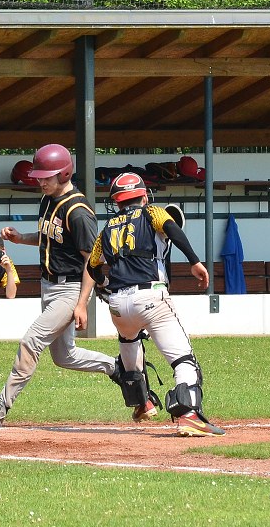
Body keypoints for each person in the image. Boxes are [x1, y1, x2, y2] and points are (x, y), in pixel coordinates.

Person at [0, 143, 117, 427]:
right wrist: (20, 238)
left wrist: (82, 304)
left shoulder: (78, 212)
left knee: (32, 341)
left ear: (64, 174)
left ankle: (1, 405)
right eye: (39, 176)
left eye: (47, 176)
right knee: (65, 356)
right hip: (49, 286)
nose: (41, 181)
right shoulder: (48, 200)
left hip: (70, 288)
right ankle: (118, 368)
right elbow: (50, 238)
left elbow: (92, 259)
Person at [81, 172, 225, 437]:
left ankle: (143, 402)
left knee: (130, 346)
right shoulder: (152, 213)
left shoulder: (107, 228)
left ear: (117, 201)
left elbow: (92, 265)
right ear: (143, 196)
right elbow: (172, 229)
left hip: (118, 304)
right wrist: (194, 260)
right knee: (184, 360)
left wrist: (103, 283)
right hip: (150, 297)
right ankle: (190, 415)